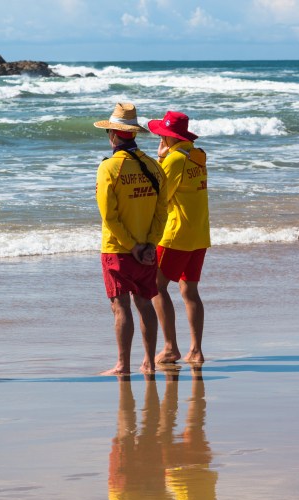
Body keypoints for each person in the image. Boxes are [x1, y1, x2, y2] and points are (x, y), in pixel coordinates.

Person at [93, 103, 168, 375]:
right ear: (132, 133)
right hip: (147, 249)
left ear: (113, 134)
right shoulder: (154, 166)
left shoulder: (109, 168)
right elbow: (163, 210)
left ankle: (122, 364)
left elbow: (109, 217)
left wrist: (132, 246)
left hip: (118, 249)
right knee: (145, 302)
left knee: (120, 306)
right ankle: (148, 361)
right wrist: (149, 244)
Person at [146, 111, 210, 367]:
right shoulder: (198, 154)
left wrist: (161, 160)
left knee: (155, 287)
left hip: (176, 233)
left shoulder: (174, 161)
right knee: (189, 290)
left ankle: (171, 347)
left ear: (168, 136)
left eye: (162, 134)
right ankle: (196, 350)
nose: (159, 137)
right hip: (199, 232)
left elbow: (160, 195)